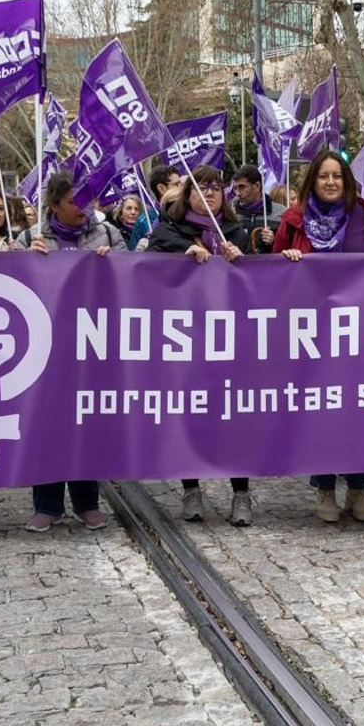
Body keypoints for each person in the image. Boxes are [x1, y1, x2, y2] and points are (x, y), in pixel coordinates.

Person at [273, 150, 364, 523]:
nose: (330, 182)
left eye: (337, 176)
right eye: (323, 176)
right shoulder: (294, 221)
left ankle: (359, 489)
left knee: (361, 410)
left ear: (347, 181)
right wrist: (284, 258)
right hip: (313, 334)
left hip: (361, 332)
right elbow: (270, 271)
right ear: (312, 181)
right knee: (322, 411)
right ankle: (325, 489)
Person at [144, 166, 252, 524]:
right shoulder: (170, 230)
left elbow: (258, 281)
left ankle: (241, 494)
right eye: (202, 187)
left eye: (216, 188)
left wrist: (241, 259)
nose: (210, 193)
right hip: (186, 339)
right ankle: (191, 489)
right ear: (188, 194)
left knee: (233, 417)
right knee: (188, 414)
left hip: (230, 339)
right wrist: (187, 248)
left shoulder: (235, 231)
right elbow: (157, 248)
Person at [18, 172, 121, 531]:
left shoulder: (108, 234)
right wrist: (27, 260)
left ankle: (86, 502)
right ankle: (46, 504)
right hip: (45, 347)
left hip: (93, 346)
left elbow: (135, 285)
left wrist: (116, 266)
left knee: (86, 422)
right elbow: (13, 286)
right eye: (75, 201)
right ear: (53, 204)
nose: (84, 208)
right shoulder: (29, 238)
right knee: (46, 424)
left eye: (89, 200)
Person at [230, 164, 284, 254]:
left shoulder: (281, 213)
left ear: (257, 186)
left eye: (242, 187)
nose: (238, 193)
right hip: (240, 267)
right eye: (235, 188)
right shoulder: (231, 214)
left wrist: (274, 240)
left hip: (271, 267)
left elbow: (290, 245)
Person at [129, 166, 183, 250]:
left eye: (181, 184)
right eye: (176, 184)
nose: (182, 189)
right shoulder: (143, 221)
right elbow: (134, 257)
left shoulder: (188, 212)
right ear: (161, 188)